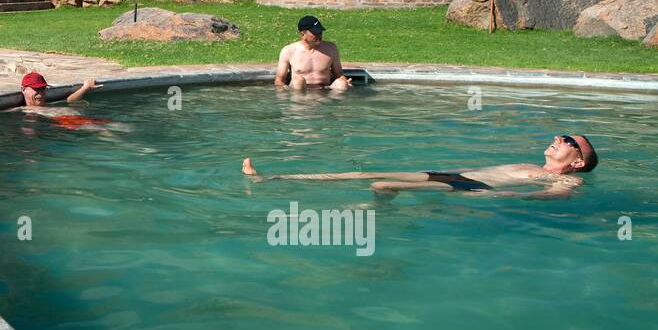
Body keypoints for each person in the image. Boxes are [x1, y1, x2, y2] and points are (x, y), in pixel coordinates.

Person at [242, 134, 597, 199]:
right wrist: (439, 170)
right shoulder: (526, 163)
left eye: (567, 139)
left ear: (577, 161)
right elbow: (481, 166)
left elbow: (537, 199)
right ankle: (272, 177)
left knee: (381, 187)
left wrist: (493, 198)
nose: (558, 138)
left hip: (473, 190)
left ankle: (379, 210)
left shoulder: (569, 184)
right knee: (368, 174)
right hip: (456, 176)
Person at [0, 72, 102, 116]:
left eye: (42, 89)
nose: (40, 92)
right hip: (71, 124)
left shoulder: (50, 104)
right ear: (23, 90)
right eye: (36, 89)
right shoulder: (24, 110)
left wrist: (85, 88)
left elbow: (70, 100)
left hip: (82, 120)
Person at [275, 15, 351, 91]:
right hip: (300, 92)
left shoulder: (331, 48)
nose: (319, 35)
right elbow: (279, 81)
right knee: (298, 81)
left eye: (320, 32)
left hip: (324, 90)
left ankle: (333, 103)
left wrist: (345, 81)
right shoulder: (289, 51)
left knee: (341, 83)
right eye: (315, 33)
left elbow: (339, 74)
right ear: (302, 33)